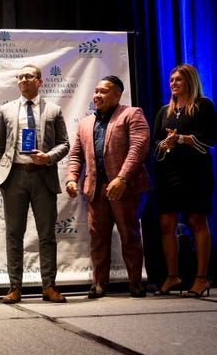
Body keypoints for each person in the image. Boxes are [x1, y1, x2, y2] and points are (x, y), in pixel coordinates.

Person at [65, 75, 151, 299]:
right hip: (96, 189)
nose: (97, 95)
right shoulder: (85, 123)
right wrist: (71, 178)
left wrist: (122, 178)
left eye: (103, 91)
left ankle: (135, 283)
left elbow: (139, 147)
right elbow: (75, 155)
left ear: (117, 95)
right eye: (95, 91)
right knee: (98, 238)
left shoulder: (132, 114)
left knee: (129, 236)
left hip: (126, 188)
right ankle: (99, 284)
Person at [0, 64, 70, 303]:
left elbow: (64, 144)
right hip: (14, 177)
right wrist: (1, 175)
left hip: (43, 175)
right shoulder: (6, 110)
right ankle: (14, 287)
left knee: (46, 234)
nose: (23, 80)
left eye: (28, 76)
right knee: (14, 234)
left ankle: (49, 286)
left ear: (40, 81)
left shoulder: (54, 110)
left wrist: (48, 157)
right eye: (20, 77)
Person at [152, 64, 217, 298]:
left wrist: (180, 139)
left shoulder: (203, 106)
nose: (173, 83)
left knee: (196, 221)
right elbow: (157, 143)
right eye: (171, 79)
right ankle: (173, 276)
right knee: (166, 224)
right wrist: (165, 143)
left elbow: (208, 140)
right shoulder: (164, 111)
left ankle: (201, 279)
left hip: (195, 173)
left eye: (179, 79)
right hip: (169, 173)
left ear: (190, 81)